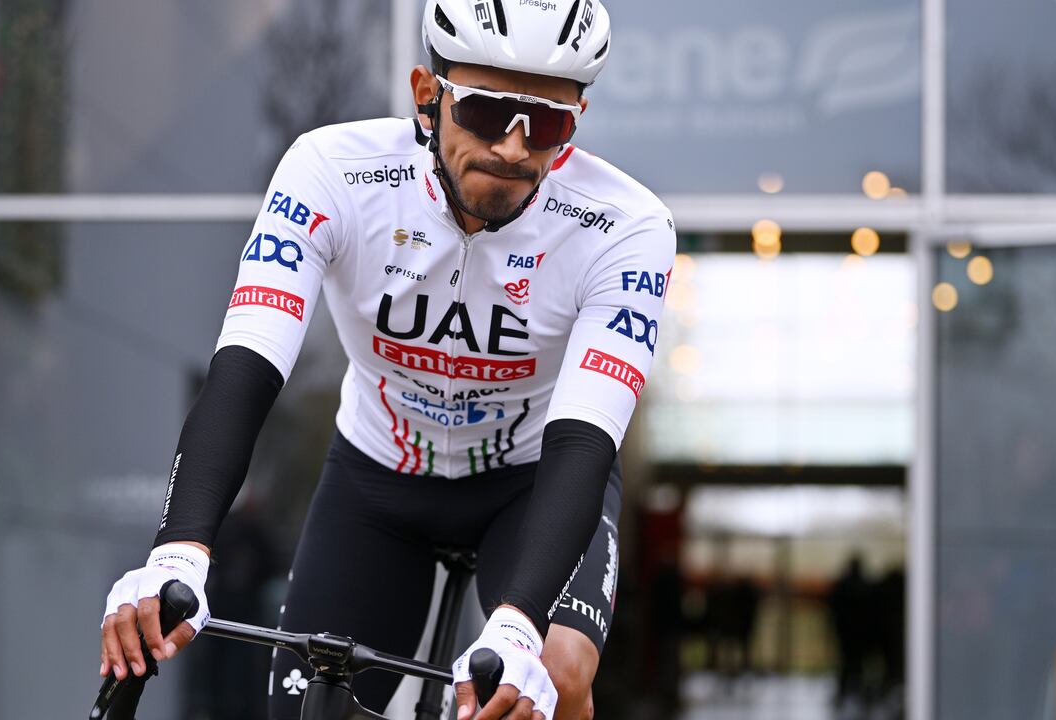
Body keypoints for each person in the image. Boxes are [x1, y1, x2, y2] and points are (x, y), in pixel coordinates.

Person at [99, 2, 676, 718]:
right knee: (308, 706)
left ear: (577, 119)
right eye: (490, 114)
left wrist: (519, 625)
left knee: (552, 678)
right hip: (379, 477)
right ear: (427, 97)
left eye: (548, 124)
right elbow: (247, 369)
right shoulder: (334, 171)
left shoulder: (626, 227)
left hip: (532, 483)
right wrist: (178, 552)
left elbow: (586, 439)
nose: (516, 149)